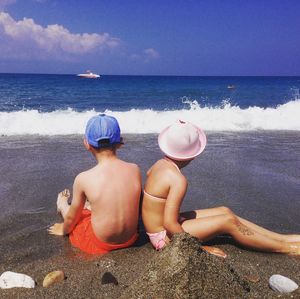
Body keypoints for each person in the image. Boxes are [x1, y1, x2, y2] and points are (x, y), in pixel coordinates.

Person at [142, 120, 300, 255]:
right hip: (163, 238)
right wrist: (200, 249)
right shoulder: (178, 180)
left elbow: (154, 198)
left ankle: (281, 238)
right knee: (228, 221)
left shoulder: (158, 165)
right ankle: (284, 247)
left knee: (225, 211)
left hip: (161, 227)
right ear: (193, 155)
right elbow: (170, 224)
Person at [48, 114, 142, 255]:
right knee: (103, 202)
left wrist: (64, 229)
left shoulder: (83, 178)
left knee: (80, 214)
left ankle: (62, 204)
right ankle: (89, 205)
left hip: (101, 243)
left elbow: (73, 218)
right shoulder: (135, 169)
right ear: (120, 142)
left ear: (87, 144)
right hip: (131, 238)